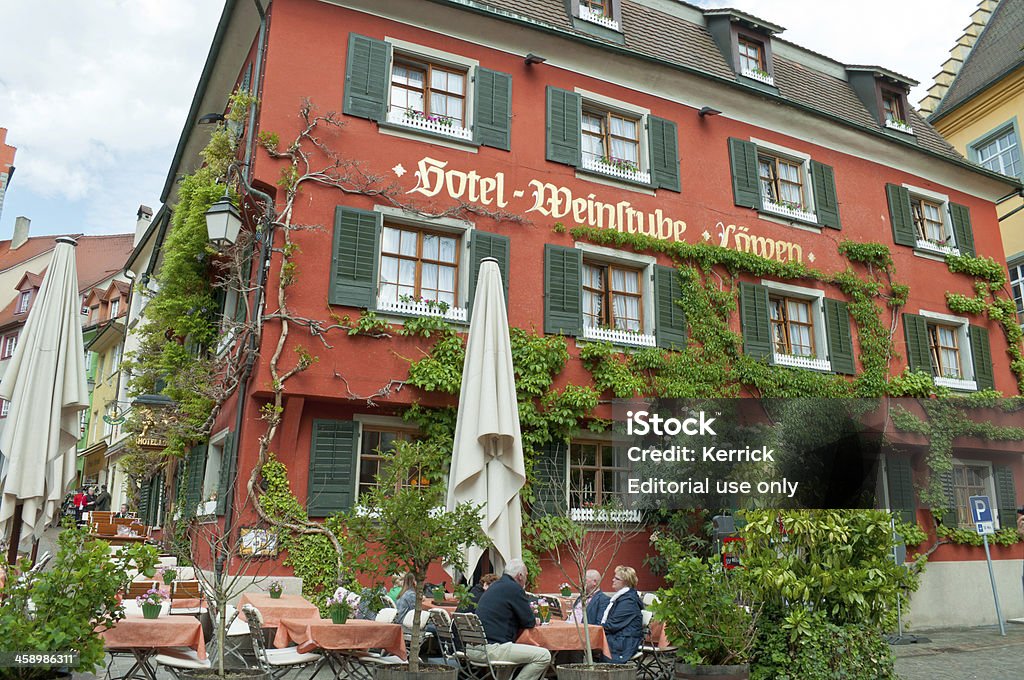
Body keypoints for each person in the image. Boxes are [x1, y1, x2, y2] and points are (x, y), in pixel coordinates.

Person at [474, 559, 551, 680]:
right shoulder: (513, 588)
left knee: (509, 654)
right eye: (526, 575)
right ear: (520, 576)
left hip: (474, 648)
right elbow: (529, 621)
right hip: (492, 649)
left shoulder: (495, 586)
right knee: (544, 656)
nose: (526, 579)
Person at [598, 565, 644, 664]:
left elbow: (613, 625)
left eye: (617, 578)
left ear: (626, 582)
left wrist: (596, 631)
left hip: (624, 642)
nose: (613, 580)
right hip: (619, 637)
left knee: (589, 644)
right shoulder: (622, 598)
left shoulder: (628, 601)